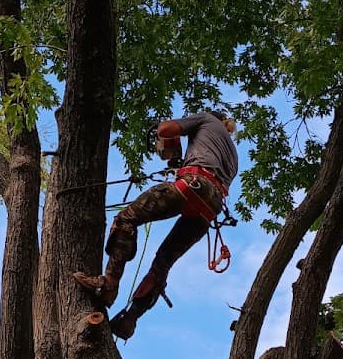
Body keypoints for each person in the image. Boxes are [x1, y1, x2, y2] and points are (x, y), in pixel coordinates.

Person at [73, 109, 238, 339]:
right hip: (209, 209)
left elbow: (165, 130)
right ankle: (130, 319)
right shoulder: (232, 154)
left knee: (127, 218)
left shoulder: (206, 119)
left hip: (192, 185)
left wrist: (172, 135)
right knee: (163, 263)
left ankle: (109, 283)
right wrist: (180, 162)